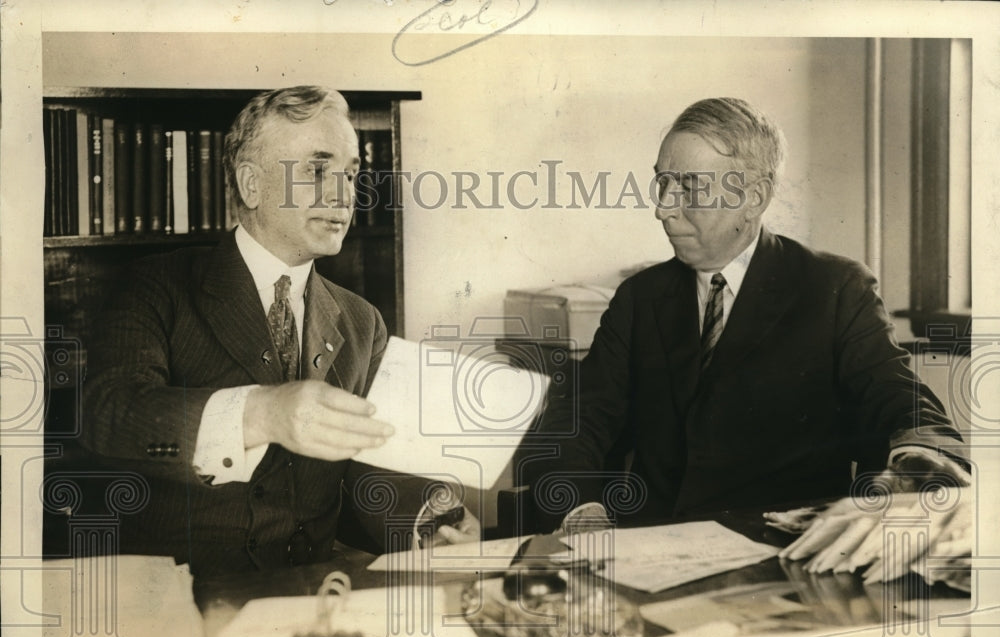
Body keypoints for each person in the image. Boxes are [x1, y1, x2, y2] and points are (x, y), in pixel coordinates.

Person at [79, 86, 479, 576]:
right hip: (179, 595)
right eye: (316, 170)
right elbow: (109, 415)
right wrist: (263, 413)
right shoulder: (154, 285)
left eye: (350, 174)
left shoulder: (361, 320)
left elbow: (365, 469)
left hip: (311, 592)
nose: (344, 195)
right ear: (251, 184)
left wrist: (425, 519)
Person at [526, 97, 970, 532]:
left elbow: (901, 402)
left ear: (754, 197)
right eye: (662, 183)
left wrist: (919, 462)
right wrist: (581, 511)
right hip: (654, 547)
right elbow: (579, 419)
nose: (663, 208)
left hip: (778, 550)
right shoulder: (639, 298)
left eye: (689, 188)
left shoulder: (835, 288)